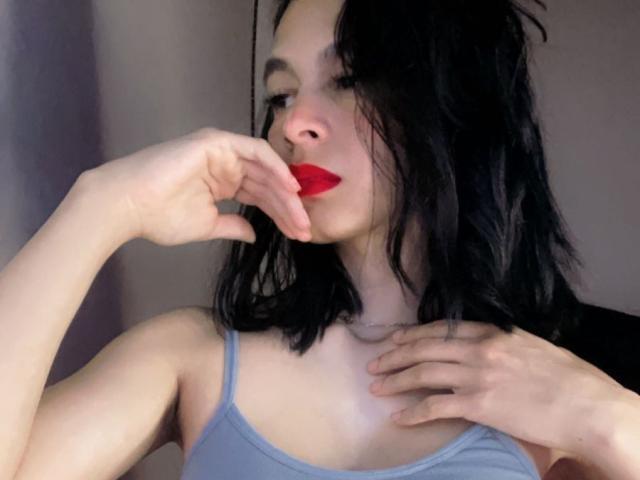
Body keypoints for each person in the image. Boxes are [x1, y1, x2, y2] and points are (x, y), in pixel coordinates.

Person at [0, 0, 638, 479]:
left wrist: (612, 420)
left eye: (350, 79)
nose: (293, 124)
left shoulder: (551, 380)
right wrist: (102, 204)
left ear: (454, 102)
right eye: (281, 95)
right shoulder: (190, 358)